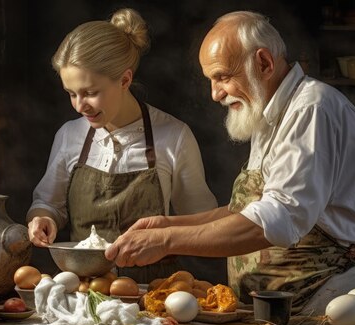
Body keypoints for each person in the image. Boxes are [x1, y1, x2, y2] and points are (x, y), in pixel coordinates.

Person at [105, 10, 355, 314]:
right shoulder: (269, 112)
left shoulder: (312, 110)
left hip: (335, 300)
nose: (215, 94)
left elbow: (279, 217)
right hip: (290, 307)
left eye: (222, 77)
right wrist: (170, 223)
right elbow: (247, 211)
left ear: (264, 63)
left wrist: (166, 240)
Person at [27, 8, 218, 283]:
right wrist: (43, 218)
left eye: (91, 93)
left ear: (125, 80)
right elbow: (48, 203)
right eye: (71, 94)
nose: (80, 106)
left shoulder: (174, 136)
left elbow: (203, 224)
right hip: (84, 295)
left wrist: (165, 239)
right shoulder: (69, 135)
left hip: (153, 297)